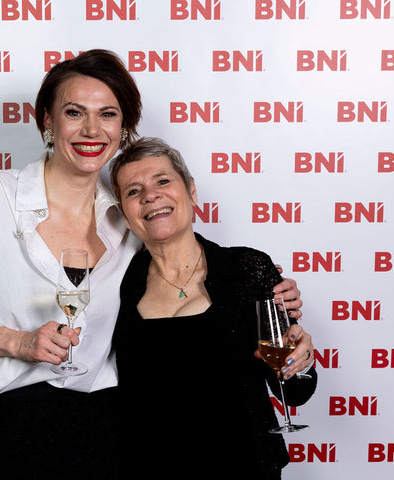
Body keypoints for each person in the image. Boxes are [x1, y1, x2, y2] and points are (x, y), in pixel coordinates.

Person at [0, 50, 304, 478]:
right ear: (48, 121)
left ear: (123, 127)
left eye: (107, 114)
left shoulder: (129, 218)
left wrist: (265, 289)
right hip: (0, 430)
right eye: (74, 112)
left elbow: (189, 292)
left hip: (102, 433)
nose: (92, 129)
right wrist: (17, 343)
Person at [109, 137, 317, 479]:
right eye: (134, 191)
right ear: (125, 215)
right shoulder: (115, 283)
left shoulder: (248, 269)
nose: (150, 196)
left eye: (163, 181)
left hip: (245, 468)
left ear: (191, 191)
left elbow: (296, 391)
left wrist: (302, 360)